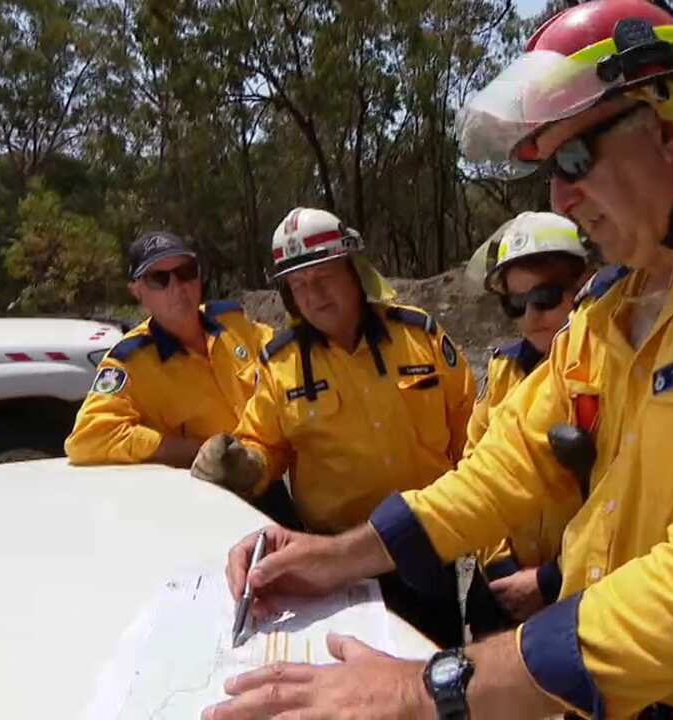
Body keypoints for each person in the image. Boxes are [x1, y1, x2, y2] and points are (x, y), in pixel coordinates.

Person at [204, 1, 673, 718]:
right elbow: (505, 470)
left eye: (576, 155)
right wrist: (329, 556)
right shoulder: (610, 309)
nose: (559, 193)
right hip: (616, 692)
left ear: (670, 129)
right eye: (547, 168)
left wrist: (427, 688)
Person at [190, 207, 477, 649]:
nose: (313, 296)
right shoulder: (279, 365)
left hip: (425, 542)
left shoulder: (420, 335)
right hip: (335, 557)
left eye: (323, 277)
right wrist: (243, 464)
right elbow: (264, 444)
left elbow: (469, 430)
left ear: (355, 271)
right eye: (298, 286)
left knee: (436, 668)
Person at [64, 231, 297, 525]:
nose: (177, 287)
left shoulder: (232, 321)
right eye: (159, 279)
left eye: (185, 273)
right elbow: (88, 438)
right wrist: (198, 450)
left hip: (269, 487)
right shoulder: (129, 362)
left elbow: (284, 358)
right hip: (205, 502)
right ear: (137, 291)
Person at [461, 212, 591, 635]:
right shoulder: (502, 372)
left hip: (580, 591)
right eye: (515, 303)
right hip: (500, 587)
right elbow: (474, 470)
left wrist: (548, 580)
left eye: (547, 296)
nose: (531, 315)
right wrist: (499, 566)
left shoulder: (613, 370)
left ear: (583, 287)